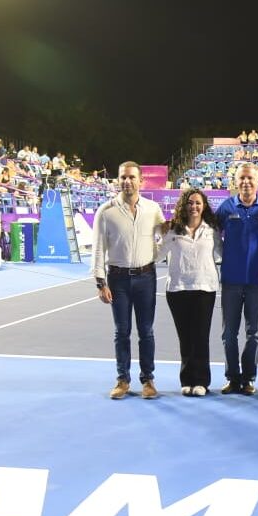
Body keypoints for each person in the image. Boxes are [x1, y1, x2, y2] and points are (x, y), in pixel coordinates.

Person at [92, 161, 166, 400]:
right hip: (118, 280)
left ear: (140, 180)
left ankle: (148, 381)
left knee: (146, 331)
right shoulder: (106, 211)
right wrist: (100, 282)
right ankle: (123, 379)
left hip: (146, 277)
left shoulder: (153, 208)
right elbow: (98, 248)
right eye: (123, 177)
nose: (127, 181)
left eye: (132, 177)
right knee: (121, 332)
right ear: (118, 180)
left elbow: (166, 237)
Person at [216, 163, 258, 395]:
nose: (246, 182)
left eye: (250, 179)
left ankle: (249, 379)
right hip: (231, 281)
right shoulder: (225, 207)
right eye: (242, 178)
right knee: (229, 333)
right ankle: (232, 378)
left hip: (257, 282)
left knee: (253, 333)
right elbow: (209, 235)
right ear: (236, 181)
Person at [159, 188, 222, 396]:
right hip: (178, 289)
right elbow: (157, 254)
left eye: (198, 203)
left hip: (205, 288)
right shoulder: (173, 230)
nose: (194, 206)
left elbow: (222, 253)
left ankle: (202, 382)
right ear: (184, 206)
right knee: (185, 337)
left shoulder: (212, 230)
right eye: (190, 203)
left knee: (201, 337)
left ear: (203, 206)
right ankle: (187, 380)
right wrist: (157, 233)